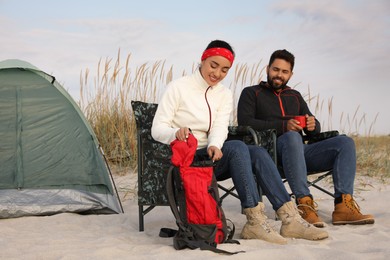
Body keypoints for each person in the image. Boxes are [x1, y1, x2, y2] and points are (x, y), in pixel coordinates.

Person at [152, 40, 328, 244]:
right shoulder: (178, 87)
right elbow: (157, 129)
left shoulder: (224, 94)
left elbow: (219, 127)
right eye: (213, 65)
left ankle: (290, 219)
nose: (217, 74)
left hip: (211, 156)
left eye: (225, 70)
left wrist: (215, 145)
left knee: (257, 152)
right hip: (187, 161)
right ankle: (254, 221)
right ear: (203, 59)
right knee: (237, 147)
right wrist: (176, 132)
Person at [237, 49, 375, 227]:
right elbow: (245, 123)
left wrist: (313, 125)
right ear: (268, 68)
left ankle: (343, 207)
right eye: (276, 69)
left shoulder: (295, 96)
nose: (279, 75)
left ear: (291, 74)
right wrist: (283, 126)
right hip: (269, 156)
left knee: (345, 142)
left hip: (300, 155)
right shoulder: (251, 93)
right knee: (292, 137)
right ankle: (304, 204)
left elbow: (314, 130)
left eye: (284, 72)